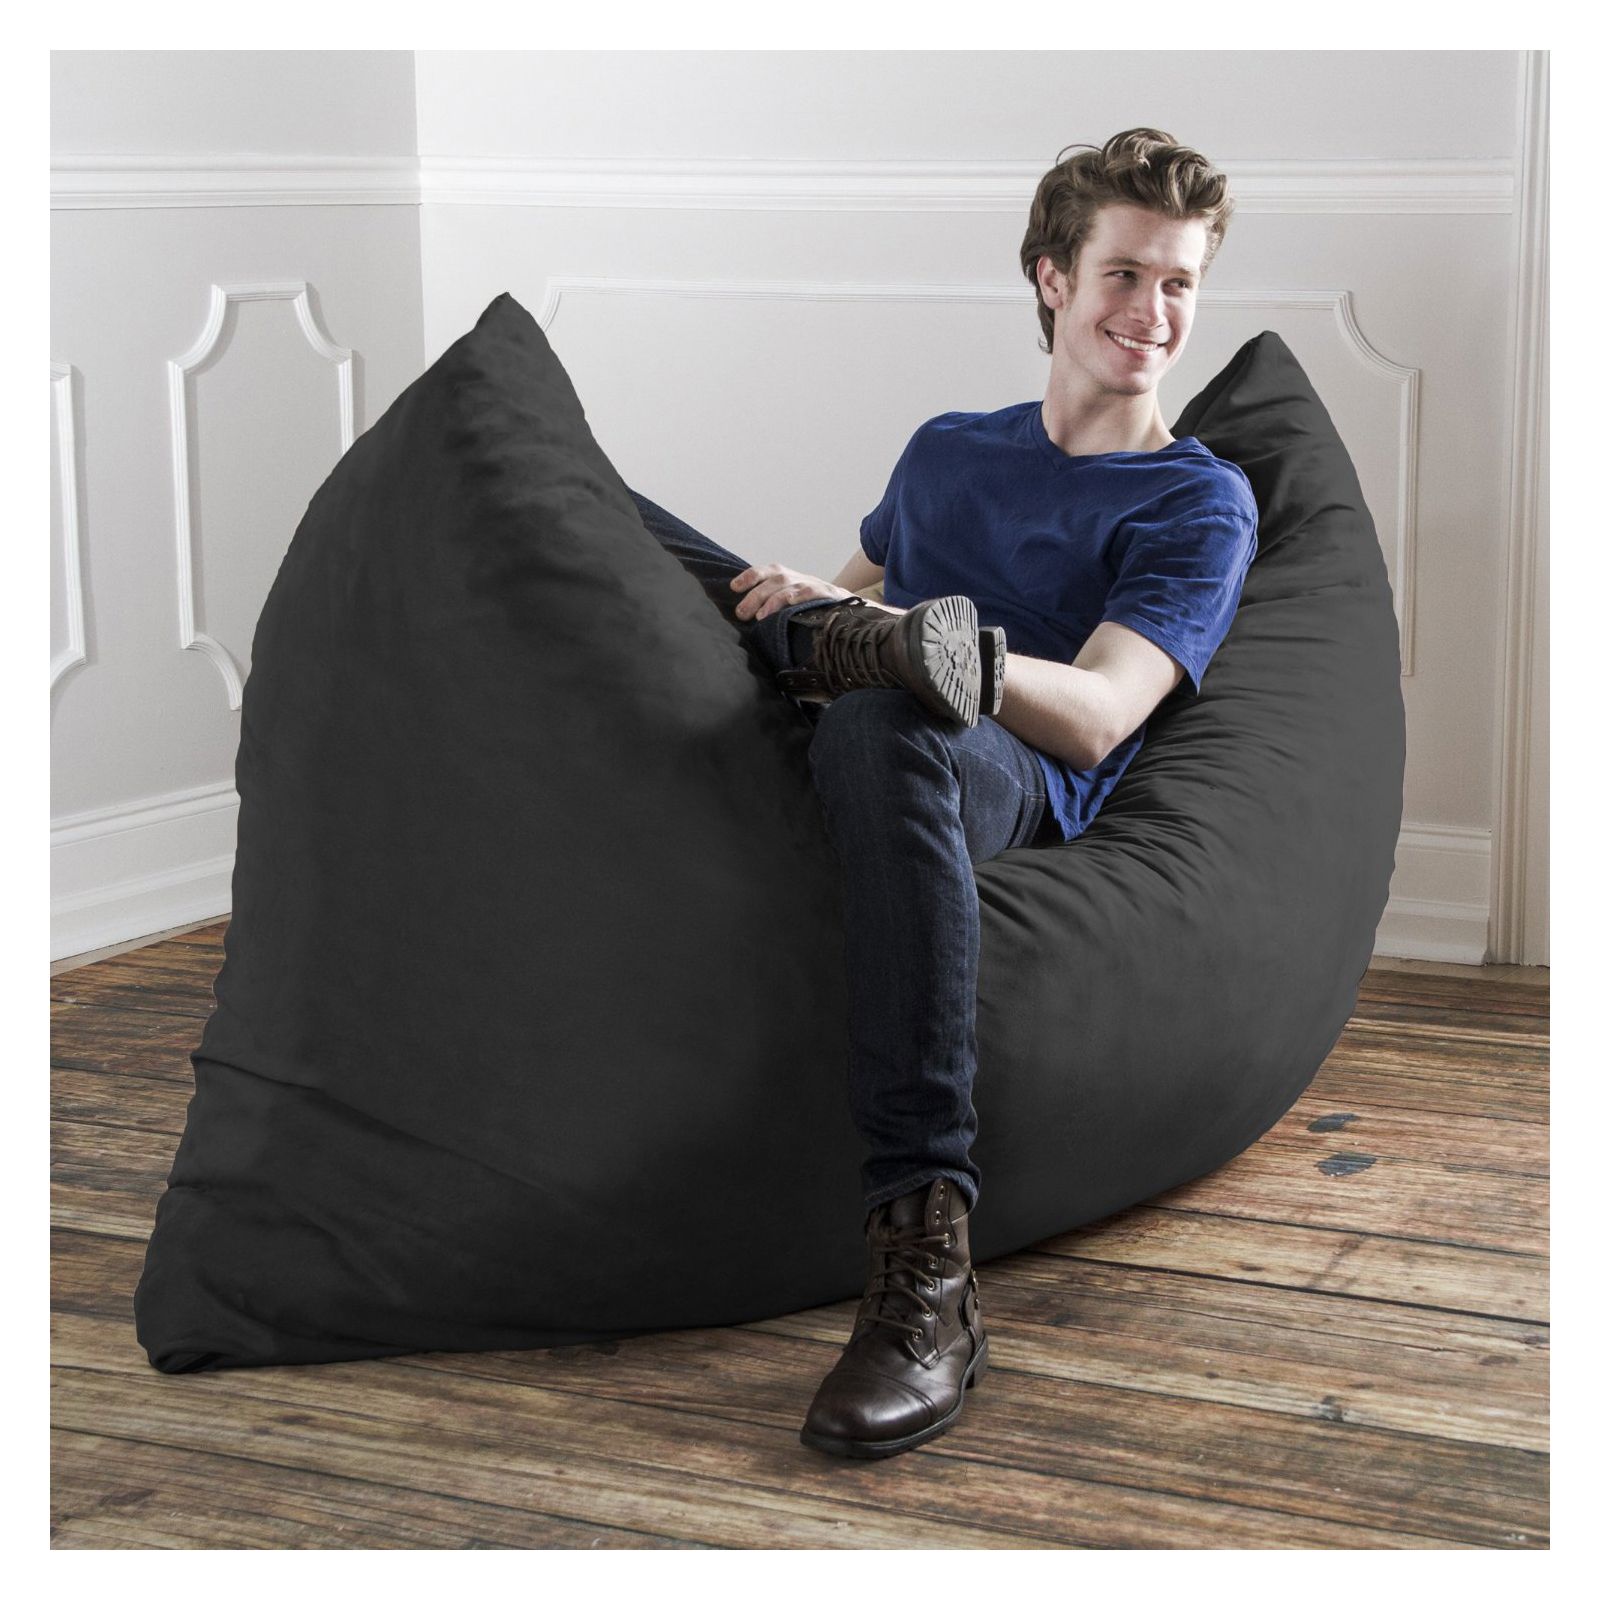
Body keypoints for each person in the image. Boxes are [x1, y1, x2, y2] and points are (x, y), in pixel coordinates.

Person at [631, 128, 1259, 1461]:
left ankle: (925, 1261)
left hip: (997, 764)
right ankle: (868, 657)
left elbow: (1100, 717)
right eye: (1125, 275)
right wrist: (812, 610)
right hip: (851, 694)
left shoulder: (1195, 499)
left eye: (1180, 284)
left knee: (886, 717)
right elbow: (847, 600)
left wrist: (937, 648)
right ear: (1051, 277)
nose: (1154, 313)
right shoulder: (947, 451)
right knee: (632, 526)